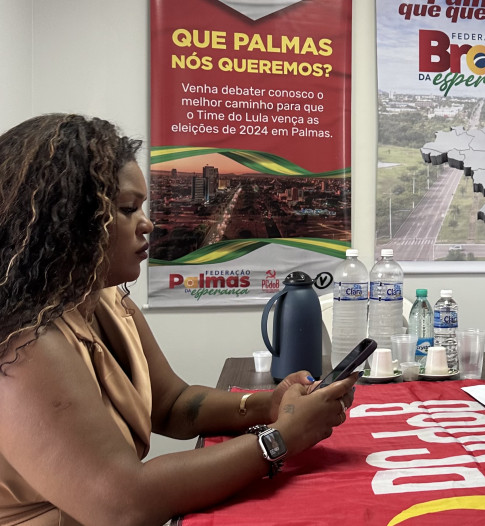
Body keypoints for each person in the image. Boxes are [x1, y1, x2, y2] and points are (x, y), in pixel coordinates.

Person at [0, 114, 358, 525]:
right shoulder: (24, 343)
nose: (147, 224)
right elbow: (122, 504)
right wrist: (281, 440)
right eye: (127, 209)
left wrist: (272, 405)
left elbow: (174, 405)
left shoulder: (104, 300)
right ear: (64, 220)